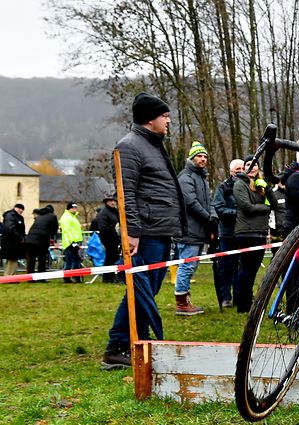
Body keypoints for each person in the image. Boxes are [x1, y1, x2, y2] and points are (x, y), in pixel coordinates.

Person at [102, 92, 187, 371]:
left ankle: (138, 339)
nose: (169, 120)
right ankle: (117, 346)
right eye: (165, 115)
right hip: (145, 233)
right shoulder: (129, 146)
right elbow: (126, 192)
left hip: (160, 230)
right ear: (150, 119)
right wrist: (133, 232)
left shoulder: (152, 144)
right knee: (138, 290)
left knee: (146, 290)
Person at [173, 141, 217, 316]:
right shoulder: (186, 177)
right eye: (199, 156)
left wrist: (213, 216)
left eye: (205, 156)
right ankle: (181, 303)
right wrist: (207, 218)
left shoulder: (202, 179)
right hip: (188, 230)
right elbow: (190, 202)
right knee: (187, 266)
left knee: (192, 265)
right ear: (192, 158)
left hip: (200, 230)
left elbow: (209, 201)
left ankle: (185, 298)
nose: (203, 159)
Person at [233, 156, 274, 313]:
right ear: (244, 168)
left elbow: (275, 204)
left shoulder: (261, 186)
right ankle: (243, 304)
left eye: (254, 164)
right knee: (246, 269)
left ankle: (248, 299)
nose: (252, 167)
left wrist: (267, 189)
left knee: (254, 269)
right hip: (246, 232)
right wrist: (265, 207)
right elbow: (246, 207)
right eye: (248, 164)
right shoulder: (239, 184)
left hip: (261, 231)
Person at [213, 158, 244, 309]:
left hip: (243, 233)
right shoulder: (223, 187)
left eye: (243, 168)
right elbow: (219, 208)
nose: (240, 171)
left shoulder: (248, 187)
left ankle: (240, 296)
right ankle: (226, 297)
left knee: (241, 267)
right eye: (237, 169)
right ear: (231, 171)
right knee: (226, 267)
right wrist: (239, 213)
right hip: (227, 234)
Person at [24, 205, 58, 277]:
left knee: (31, 260)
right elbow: (55, 228)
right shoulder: (52, 216)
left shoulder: (39, 216)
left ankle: (30, 277)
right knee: (42, 259)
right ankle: (41, 277)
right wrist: (52, 236)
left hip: (30, 240)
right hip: (42, 240)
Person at [95, 194, 120, 283]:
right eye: (110, 201)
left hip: (115, 239)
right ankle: (108, 277)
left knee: (113, 258)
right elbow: (103, 228)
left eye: (114, 201)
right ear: (106, 202)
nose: (113, 202)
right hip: (108, 239)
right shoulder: (104, 213)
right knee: (110, 258)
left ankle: (112, 277)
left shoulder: (115, 212)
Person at [59, 202, 83, 283]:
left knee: (69, 260)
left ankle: (67, 277)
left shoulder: (72, 217)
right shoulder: (66, 218)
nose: (75, 209)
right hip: (70, 242)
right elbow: (67, 231)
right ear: (69, 208)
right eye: (73, 208)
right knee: (75, 260)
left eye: (76, 207)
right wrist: (72, 241)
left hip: (73, 241)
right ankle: (75, 276)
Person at [0, 203, 25, 276]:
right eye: (21, 209)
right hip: (11, 243)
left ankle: (10, 275)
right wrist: (20, 237)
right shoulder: (11, 216)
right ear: (17, 208)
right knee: (12, 259)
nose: (21, 211)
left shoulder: (14, 216)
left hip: (13, 242)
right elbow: (10, 229)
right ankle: (9, 276)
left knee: (12, 260)